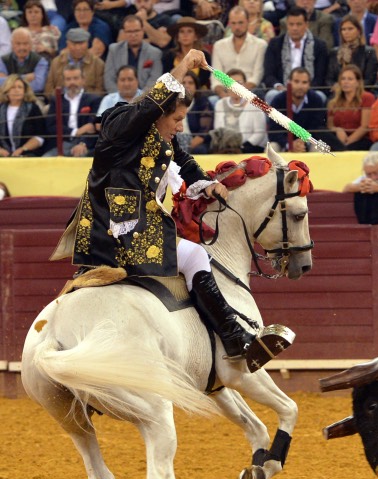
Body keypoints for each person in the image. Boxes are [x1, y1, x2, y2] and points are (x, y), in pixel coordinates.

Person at [51, 49, 291, 362]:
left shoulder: (159, 136)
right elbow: (151, 103)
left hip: (129, 228)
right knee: (194, 255)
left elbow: (184, 161)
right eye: (176, 119)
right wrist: (182, 66)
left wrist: (209, 183)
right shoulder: (121, 127)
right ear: (157, 114)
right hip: (116, 235)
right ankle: (233, 338)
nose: (180, 127)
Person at [263, 7, 329, 93]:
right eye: (291, 24)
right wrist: (279, 86)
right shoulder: (275, 44)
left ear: (306, 24)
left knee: (320, 96)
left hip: (310, 90)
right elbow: (269, 75)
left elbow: (320, 77)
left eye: (299, 24)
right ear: (287, 24)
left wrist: (305, 88)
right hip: (281, 90)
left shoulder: (319, 46)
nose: (295, 28)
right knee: (272, 95)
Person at [268, 66, 334, 152]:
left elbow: (318, 128)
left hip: (308, 142)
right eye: (296, 81)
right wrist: (289, 144)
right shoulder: (278, 100)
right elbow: (274, 131)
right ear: (289, 82)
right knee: (272, 147)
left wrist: (303, 142)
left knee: (319, 148)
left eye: (304, 82)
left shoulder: (316, 99)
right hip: (284, 144)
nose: (300, 86)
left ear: (309, 84)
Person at [43, 64, 100, 157]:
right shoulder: (56, 100)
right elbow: (51, 126)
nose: (72, 82)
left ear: (83, 80)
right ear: (63, 82)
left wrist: (83, 144)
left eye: (75, 78)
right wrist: (76, 131)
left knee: (81, 157)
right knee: (45, 160)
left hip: (84, 143)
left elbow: (92, 127)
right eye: (68, 79)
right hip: (60, 144)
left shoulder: (93, 100)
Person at [211, 7, 267, 100]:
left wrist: (238, 94)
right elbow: (216, 78)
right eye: (233, 23)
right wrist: (225, 96)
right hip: (225, 93)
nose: (237, 27)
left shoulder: (260, 45)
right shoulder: (219, 46)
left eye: (240, 23)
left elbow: (257, 76)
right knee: (212, 100)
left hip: (250, 92)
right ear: (229, 23)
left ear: (248, 22)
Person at [103, 15, 163, 93]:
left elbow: (155, 80)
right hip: (118, 98)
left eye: (136, 31)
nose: (133, 35)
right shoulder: (114, 50)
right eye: (129, 32)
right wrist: (119, 98)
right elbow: (109, 79)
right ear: (124, 32)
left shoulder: (154, 53)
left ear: (143, 31)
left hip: (145, 99)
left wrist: (140, 99)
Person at [215, 68, 268, 153]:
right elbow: (218, 129)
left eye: (239, 83)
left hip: (250, 148)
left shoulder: (256, 103)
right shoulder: (220, 104)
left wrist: (242, 148)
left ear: (245, 85)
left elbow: (260, 133)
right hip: (226, 149)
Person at [327, 64, 375, 151]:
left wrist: (347, 143)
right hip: (338, 140)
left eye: (350, 79)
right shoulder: (333, 102)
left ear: (358, 82)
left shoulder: (367, 97)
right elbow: (330, 126)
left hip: (360, 139)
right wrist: (338, 130)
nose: (345, 82)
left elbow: (365, 126)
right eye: (343, 79)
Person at [44, 27, 105, 95]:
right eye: (74, 44)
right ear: (67, 44)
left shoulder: (98, 64)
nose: (78, 48)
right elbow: (48, 90)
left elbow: (100, 91)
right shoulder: (56, 62)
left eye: (81, 44)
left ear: (87, 43)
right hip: (61, 103)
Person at [326, 15, 378, 87]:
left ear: (359, 31)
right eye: (343, 29)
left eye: (350, 29)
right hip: (338, 92)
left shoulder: (369, 52)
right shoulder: (334, 52)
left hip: (361, 92)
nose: (346, 32)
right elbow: (329, 79)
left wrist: (351, 87)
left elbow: (369, 80)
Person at [0, 74, 45, 156]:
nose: (16, 90)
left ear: (25, 91)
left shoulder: (33, 108)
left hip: (28, 153)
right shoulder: (1, 109)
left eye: (20, 87)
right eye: (13, 87)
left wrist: (23, 149)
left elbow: (40, 136)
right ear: (6, 91)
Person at [162, 17, 212, 90]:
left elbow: (205, 78)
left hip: (198, 92)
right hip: (174, 93)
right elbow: (166, 77)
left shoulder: (204, 55)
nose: (185, 35)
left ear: (196, 37)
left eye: (189, 31)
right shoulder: (169, 56)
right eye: (182, 32)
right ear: (177, 37)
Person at [0, 27, 50, 93]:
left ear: (31, 44)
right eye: (18, 44)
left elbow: (38, 85)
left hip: (33, 99)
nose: (22, 47)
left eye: (25, 43)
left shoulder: (40, 61)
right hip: (7, 100)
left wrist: (9, 81)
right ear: (12, 44)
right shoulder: (3, 60)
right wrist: (25, 78)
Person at [178, 71, 213, 154]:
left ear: (196, 86)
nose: (186, 86)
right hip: (174, 140)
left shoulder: (203, 102)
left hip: (194, 142)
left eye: (190, 83)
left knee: (200, 150)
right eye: (183, 83)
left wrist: (187, 147)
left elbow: (204, 133)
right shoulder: (170, 103)